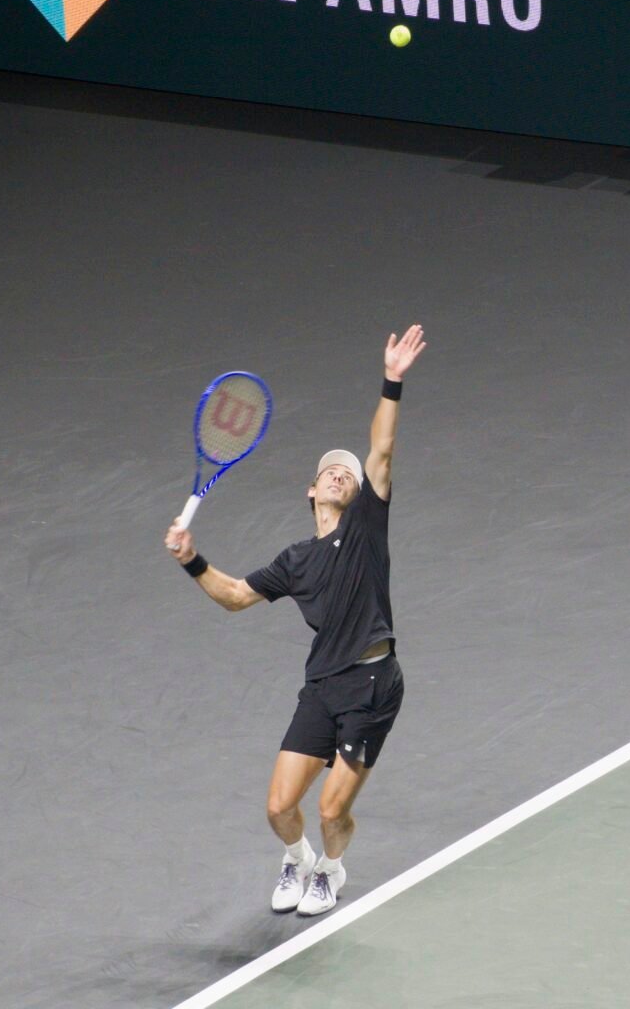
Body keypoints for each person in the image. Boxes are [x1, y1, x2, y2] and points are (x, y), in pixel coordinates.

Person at [165, 324, 426, 916]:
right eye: (329, 472)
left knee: (333, 810)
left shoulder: (366, 527)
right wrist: (191, 560)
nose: (340, 475)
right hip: (323, 685)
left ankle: (330, 870)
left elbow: (382, 450)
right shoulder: (295, 560)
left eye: (348, 475)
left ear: (358, 493)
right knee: (279, 808)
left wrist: (391, 380)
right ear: (311, 491)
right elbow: (235, 596)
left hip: (372, 684)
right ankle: (298, 858)